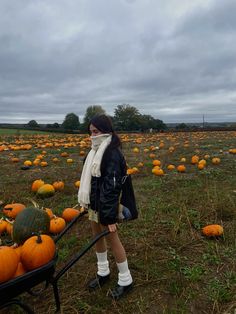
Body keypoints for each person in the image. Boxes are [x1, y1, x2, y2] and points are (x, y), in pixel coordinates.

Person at [78, 114, 137, 300]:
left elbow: (111, 188)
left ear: (105, 130)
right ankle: (103, 272)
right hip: (95, 204)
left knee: (113, 239)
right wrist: (88, 204)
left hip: (108, 207)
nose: (92, 136)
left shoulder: (112, 152)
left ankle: (126, 280)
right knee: (97, 236)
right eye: (90, 132)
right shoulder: (94, 151)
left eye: (95, 132)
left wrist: (110, 216)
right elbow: (92, 182)